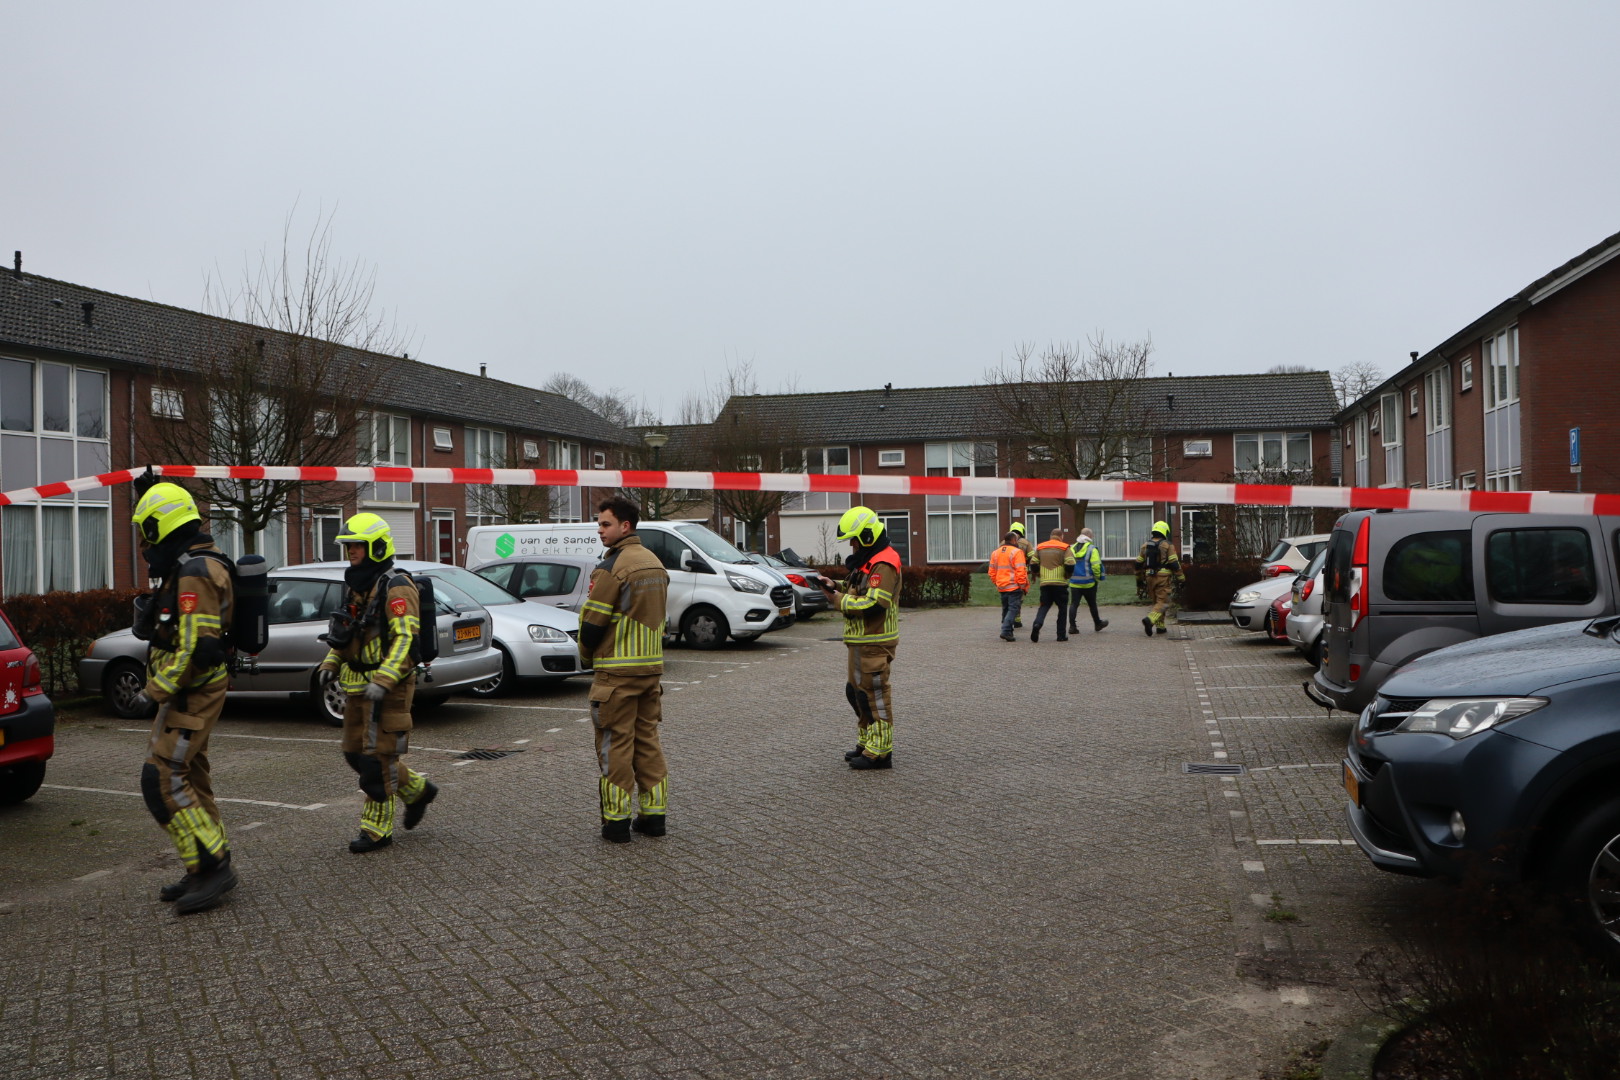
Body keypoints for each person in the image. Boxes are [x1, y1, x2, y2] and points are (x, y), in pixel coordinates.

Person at [128, 482, 239, 914]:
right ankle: (200, 867)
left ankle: (215, 863)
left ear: (165, 523)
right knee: (191, 777)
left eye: (148, 530)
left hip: (191, 692)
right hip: (187, 690)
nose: (143, 543)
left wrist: (149, 694)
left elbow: (193, 646)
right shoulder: (189, 565)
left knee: (161, 779)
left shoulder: (195, 572)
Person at [317, 513, 438, 853]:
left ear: (376, 547)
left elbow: (405, 640)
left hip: (390, 686)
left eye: (356, 545)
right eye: (348, 546)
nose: (350, 551)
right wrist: (330, 663)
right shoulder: (357, 583)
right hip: (357, 685)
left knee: (376, 761)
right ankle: (417, 791)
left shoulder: (396, 585)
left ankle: (376, 830)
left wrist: (384, 680)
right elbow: (345, 632)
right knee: (355, 754)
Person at [579, 496, 670, 841]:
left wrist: (586, 658)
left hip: (615, 675)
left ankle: (615, 824)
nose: (599, 530)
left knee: (615, 745)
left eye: (605, 524)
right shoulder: (655, 564)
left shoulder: (612, 568)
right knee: (648, 742)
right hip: (650, 672)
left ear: (625, 526)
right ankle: (654, 817)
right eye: (600, 524)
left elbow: (591, 625)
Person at [818, 506, 902, 769]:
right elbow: (859, 588)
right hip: (860, 641)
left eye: (854, 539)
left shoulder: (883, 563)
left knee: (873, 695)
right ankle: (867, 743)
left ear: (867, 535)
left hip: (875, 641)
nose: (852, 545)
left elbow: (874, 604)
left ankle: (880, 752)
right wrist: (835, 586)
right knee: (856, 693)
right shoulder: (870, 559)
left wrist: (838, 600)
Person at [1135, 520, 1185, 636]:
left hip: (1149, 577)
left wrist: (1139, 581)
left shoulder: (1145, 545)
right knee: (1164, 602)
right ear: (1164, 531)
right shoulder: (1168, 545)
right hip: (1163, 578)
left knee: (1157, 602)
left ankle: (1160, 627)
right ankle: (1150, 620)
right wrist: (1182, 579)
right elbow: (1174, 564)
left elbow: (1137, 564)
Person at [1028, 529, 1075, 642]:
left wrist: (1038, 574)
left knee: (1044, 606)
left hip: (1045, 583)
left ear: (1051, 536)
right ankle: (1061, 635)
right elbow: (1070, 564)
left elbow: (1033, 564)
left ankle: (1037, 624)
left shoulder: (1040, 547)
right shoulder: (1065, 547)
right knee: (1062, 609)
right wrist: (1067, 575)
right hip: (1060, 583)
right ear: (1061, 536)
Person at [1067, 527, 1110, 634]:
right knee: (1092, 604)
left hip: (1074, 583)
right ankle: (1097, 624)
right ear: (1089, 536)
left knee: (1074, 604)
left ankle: (1072, 627)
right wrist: (1098, 577)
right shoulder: (1092, 549)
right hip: (1089, 583)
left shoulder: (1071, 548)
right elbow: (1096, 566)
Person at [989, 531, 1029, 642]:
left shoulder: (995, 553)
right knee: (1013, 609)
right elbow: (1020, 569)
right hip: (1014, 586)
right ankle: (1006, 630)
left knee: (1006, 608)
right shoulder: (1017, 552)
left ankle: (1009, 632)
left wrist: (997, 582)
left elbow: (991, 571)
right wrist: (1022, 584)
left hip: (1002, 586)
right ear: (1014, 540)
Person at [1008, 521, 1034, 627]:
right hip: (1021, 573)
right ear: (1022, 531)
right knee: (1019, 596)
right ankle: (1017, 619)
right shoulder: (1026, 543)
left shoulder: (1003, 543)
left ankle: (1008, 618)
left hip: (1006, 574)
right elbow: (1033, 558)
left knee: (1008, 596)